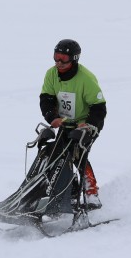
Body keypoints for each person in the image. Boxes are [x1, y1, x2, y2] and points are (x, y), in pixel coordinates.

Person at [39, 39, 107, 209]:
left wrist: (88, 125)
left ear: (74, 59)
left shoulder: (86, 78)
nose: (58, 63)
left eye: (63, 59)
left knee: (77, 153)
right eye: (56, 57)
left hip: (86, 124)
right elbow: (46, 99)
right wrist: (52, 117)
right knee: (54, 153)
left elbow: (99, 108)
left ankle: (91, 193)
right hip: (64, 123)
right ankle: (71, 190)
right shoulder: (51, 74)